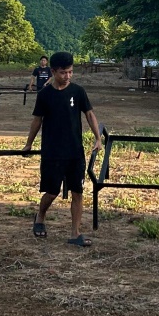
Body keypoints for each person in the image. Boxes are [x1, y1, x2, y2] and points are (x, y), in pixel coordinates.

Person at [24, 50, 102, 247]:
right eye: (63, 72)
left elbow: (89, 114)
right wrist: (29, 143)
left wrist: (97, 138)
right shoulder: (45, 95)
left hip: (75, 151)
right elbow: (37, 121)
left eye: (70, 72)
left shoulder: (78, 91)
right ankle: (40, 216)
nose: (67, 76)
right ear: (53, 72)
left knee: (77, 192)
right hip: (52, 151)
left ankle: (75, 233)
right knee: (52, 192)